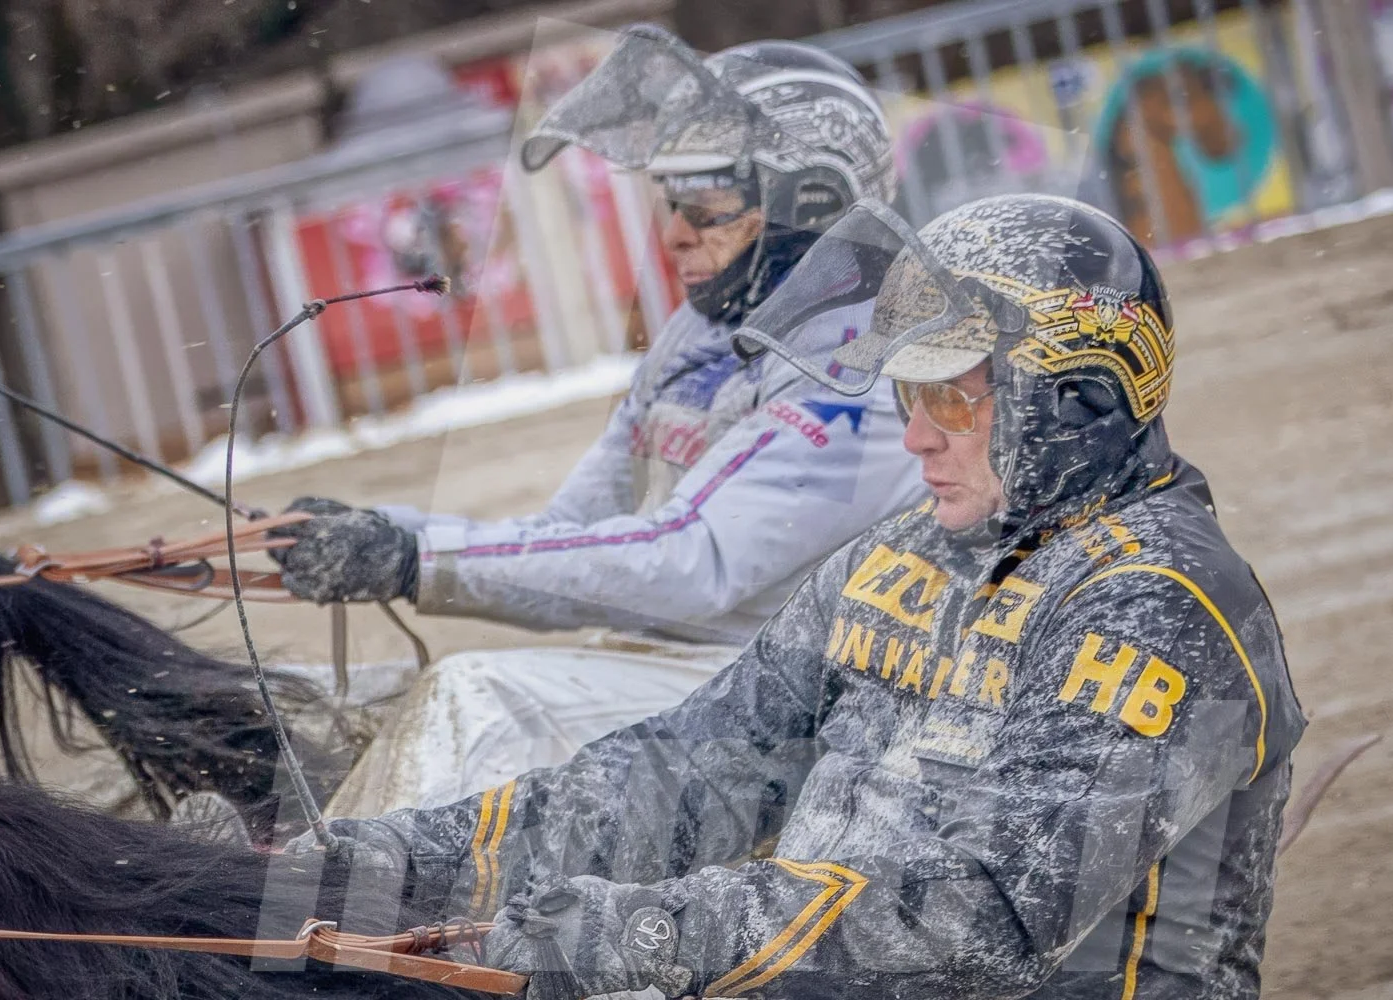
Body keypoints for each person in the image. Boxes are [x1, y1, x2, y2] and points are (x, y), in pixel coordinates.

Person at [294, 193, 1307, 999]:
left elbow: (986, 921)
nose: (916, 436)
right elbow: (690, 770)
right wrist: (396, 858)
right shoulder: (901, 557)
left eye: (951, 393)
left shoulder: (1162, 606)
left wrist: (647, 932)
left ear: (1074, 392)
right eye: (907, 396)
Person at [264, 28, 926, 812]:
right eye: (672, 203)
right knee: (335, 704)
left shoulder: (860, 359)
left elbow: (690, 559)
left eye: (707, 208)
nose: (675, 232)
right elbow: (573, 534)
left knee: (473, 699)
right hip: (674, 670)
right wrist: (383, 534)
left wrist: (417, 558)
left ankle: (326, 913)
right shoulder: (703, 331)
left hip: (788, 701)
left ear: (810, 206)